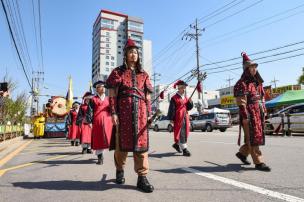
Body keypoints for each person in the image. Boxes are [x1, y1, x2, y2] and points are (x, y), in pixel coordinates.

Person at [106, 38, 154, 193]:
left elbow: (147, 97)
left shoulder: (144, 74)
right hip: (123, 114)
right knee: (121, 147)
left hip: (141, 114)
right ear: (125, 54)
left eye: (135, 52)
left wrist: (149, 113)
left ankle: (142, 178)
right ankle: (120, 170)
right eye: (130, 52)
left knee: (141, 147)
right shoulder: (117, 72)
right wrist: (113, 112)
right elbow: (112, 94)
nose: (133, 55)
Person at [234, 52, 271, 172]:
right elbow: (241, 102)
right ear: (246, 69)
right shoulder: (241, 84)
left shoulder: (256, 83)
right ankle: (259, 162)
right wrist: (245, 116)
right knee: (253, 137)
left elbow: (261, 98)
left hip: (257, 113)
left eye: (255, 67)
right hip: (248, 114)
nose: (254, 69)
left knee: (253, 137)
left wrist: (263, 111)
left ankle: (242, 153)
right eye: (252, 67)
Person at [86, 81, 113, 165]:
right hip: (97, 121)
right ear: (97, 89)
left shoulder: (109, 99)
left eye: (104, 86)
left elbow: (113, 110)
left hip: (108, 121)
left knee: (108, 139)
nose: (103, 88)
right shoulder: (93, 99)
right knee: (98, 139)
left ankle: (104, 154)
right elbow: (89, 111)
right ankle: (100, 157)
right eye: (101, 86)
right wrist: (89, 121)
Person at [167, 80, 193, 157]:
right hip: (178, 118)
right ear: (179, 88)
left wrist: (190, 102)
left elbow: (188, 108)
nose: (184, 89)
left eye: (185, 88)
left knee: (185, 132)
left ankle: (176, 145)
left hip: (185, 117)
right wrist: (171, 119)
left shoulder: (185, 98)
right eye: (183, 88)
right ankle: (185, 150)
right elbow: (172, 109)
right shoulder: (174, 98)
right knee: (181, 133)